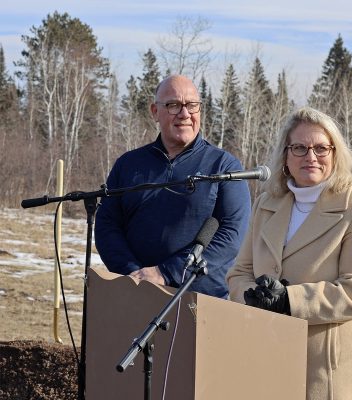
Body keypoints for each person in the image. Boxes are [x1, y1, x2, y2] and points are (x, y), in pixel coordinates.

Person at [226, 107, 352, 399]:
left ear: (335, 154)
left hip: (329, 372)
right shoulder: (266, 203)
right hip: (267, 358)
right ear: (285, 157)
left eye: (321, 148)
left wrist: (289, 300)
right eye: (299, 148)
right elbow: (240, 273)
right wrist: (251, 297)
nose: (310, 157)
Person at [95, 75, 251, 298]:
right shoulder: (128, 165)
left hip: (201, 301)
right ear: (154, 111)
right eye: (173, 105)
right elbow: (107, 225)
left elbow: (232, 234)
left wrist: (167, 273)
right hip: (136, 295)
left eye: (192, 105)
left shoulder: (225, 166)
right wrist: (133, 274)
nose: (184, 114)